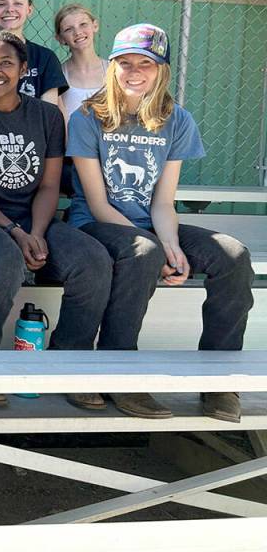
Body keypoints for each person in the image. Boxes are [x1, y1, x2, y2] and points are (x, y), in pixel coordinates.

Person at [68, 23, 254, 423]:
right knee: (144, 251)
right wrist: (157, 248)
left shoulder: (177, 120)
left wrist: (172, 247)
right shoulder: (88, 118)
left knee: (234, 256)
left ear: (161, 70)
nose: (135, 72)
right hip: (96, 225)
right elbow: (98, 204)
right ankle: (120, 372)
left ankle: (219, 380)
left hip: (151, 224)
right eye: (125, 63)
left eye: (146, 65)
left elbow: (164, 202)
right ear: (112, 66)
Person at [0, 31, 113, 409]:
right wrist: (16, 233)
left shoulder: (47, 115)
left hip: (34, 217)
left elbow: (50, 184)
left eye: (5, 63)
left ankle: (68, 364)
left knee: (92, 260)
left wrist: (37, 232)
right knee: (3, 259)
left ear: (24, 68)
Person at [0, 0, 68, 104]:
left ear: (29, 10)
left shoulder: (45, 58)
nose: (10, 9)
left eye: (18, 3)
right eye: (2, 4)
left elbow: (48, 113)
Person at [55, 4, 108, 124]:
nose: (78, 32)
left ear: (95, 26)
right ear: (60, 38)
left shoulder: (113, 70)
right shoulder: (58, 74)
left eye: (83, 24)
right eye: (68, 29)